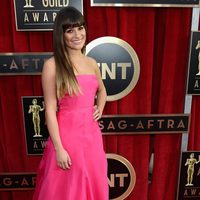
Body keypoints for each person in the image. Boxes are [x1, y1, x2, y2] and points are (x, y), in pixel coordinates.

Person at [33, 6, 108, 200]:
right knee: (68, 189)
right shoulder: (52, 65)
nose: (78, 34)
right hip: (68, 136)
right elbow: (49, 110)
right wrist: (59, 148)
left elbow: (102, 90)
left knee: (93, 181)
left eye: (80, 28)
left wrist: (99, 108)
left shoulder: (91, 62)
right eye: (70, 30)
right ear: (61, 35)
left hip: (91, 136)